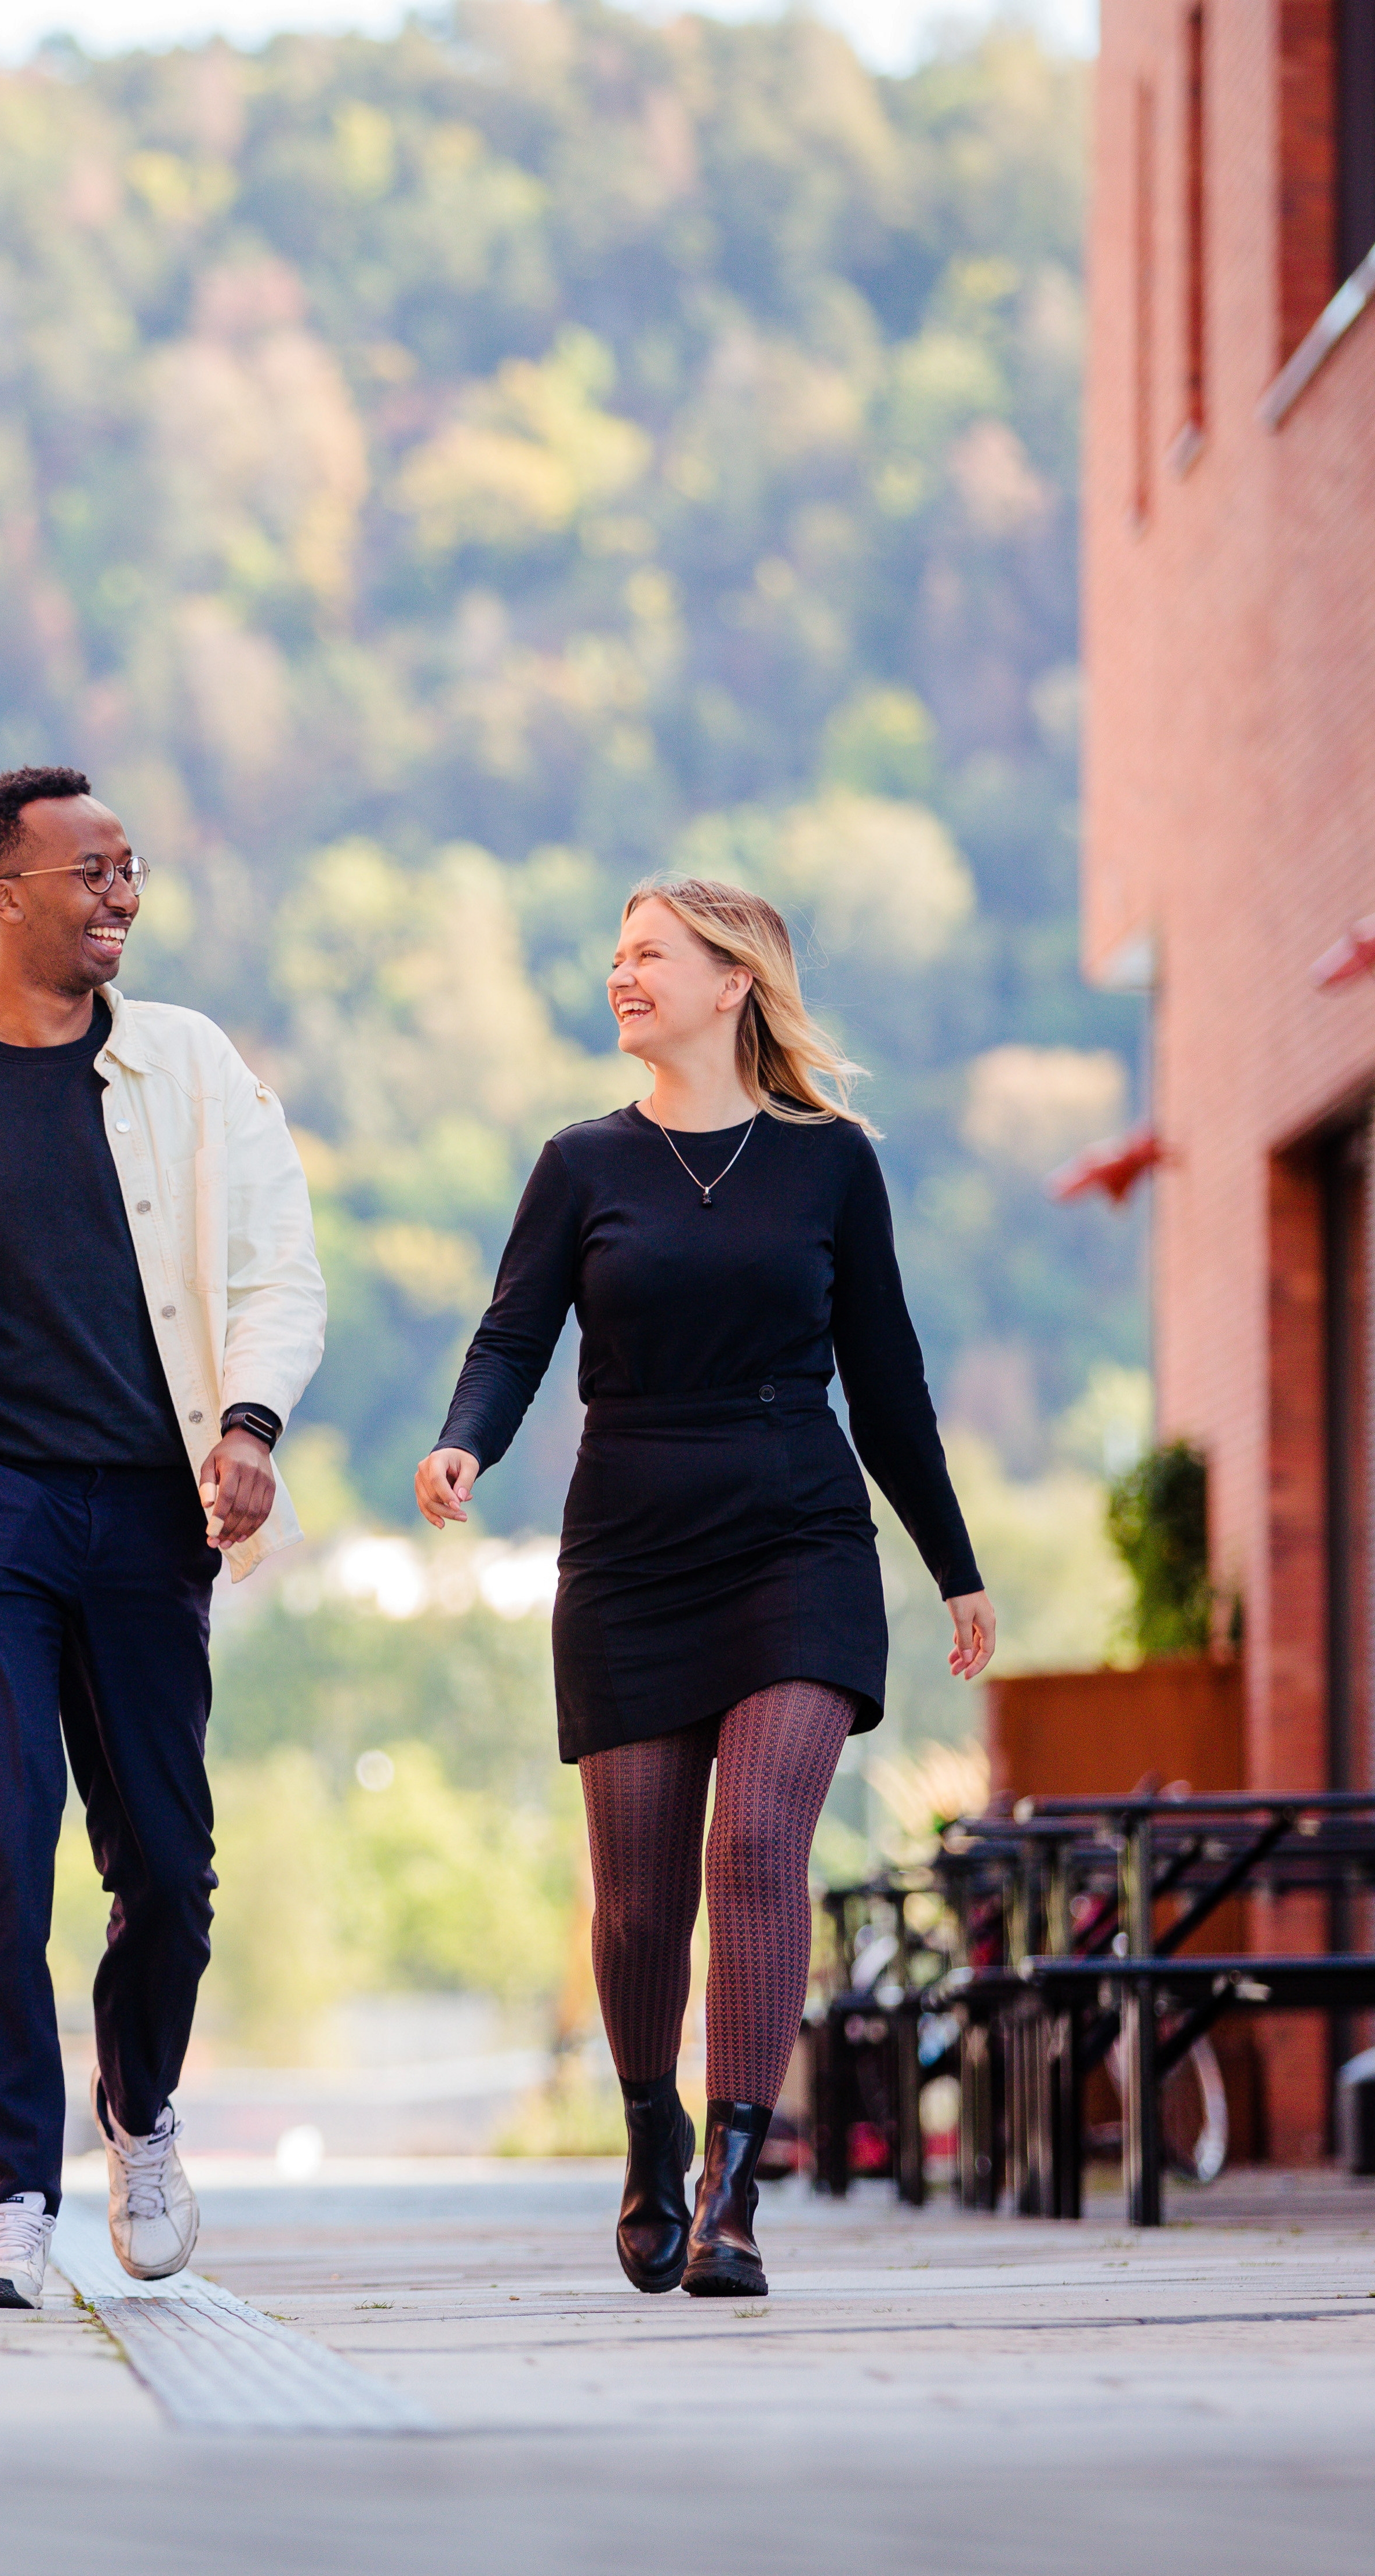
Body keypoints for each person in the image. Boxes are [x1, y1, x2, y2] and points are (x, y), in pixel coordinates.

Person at [0, 766, 325, 2309]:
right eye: (85, 870)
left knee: (165, 1860)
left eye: (128, 867)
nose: (117, 894)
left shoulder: (192, 1066)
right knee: (3, 1841)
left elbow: (277, 1270)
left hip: (149, 1505)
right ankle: (11, 2193)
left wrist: (247, 1425)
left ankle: (139, 2108)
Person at [418, 876, 992, 2300]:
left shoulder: (831, 1165)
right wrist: (460, 1443)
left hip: (798, 1537)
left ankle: (732, 2185)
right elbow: (511, 1337)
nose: (622, 976)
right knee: (635, 1900)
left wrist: (956, 1570)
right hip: (627, 1552)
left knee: (756, 1856)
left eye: (650, 955)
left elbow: (891, 1388)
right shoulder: (579, 1164)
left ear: (733, 982)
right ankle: (646, 2132)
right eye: (615, 956)